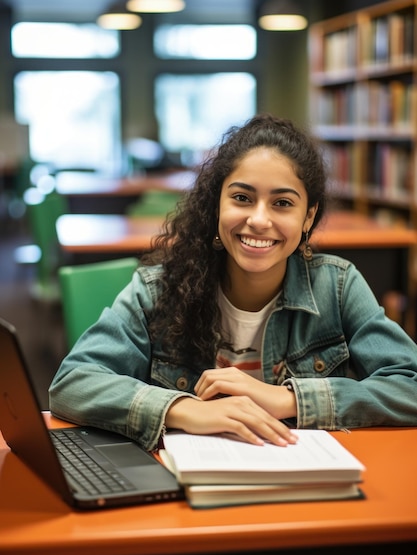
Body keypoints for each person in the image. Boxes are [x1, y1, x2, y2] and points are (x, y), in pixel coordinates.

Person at [49, 113, 417, 451]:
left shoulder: (337, 287)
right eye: (242, 198)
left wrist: (288, 399)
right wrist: (183, 410)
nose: (259, 220)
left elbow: (409, 384)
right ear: (216, 205)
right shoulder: (157, 288)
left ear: (309, 216)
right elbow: (73, 383)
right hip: (185, 488)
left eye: (283, 203)